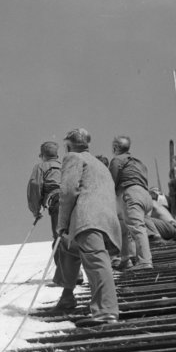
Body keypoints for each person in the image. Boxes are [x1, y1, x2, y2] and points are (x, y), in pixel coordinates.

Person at [54, 128, 122, 326]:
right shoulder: (100, 165)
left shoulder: (72, 158)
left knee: (96, 262)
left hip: (87, 218)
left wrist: (62, 224)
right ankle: (67, 296)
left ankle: (106, 312)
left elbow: (67, 191)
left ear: (68, 145)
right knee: (67, 249)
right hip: (106, 220)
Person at [109, 135, 153, 270]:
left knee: (137, 228)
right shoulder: (138, 162)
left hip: (131, 194)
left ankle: (145, 261)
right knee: (122, 227)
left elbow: (112, 181)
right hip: (145, 196)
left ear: (115, 147)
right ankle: (125, 259)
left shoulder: (117, 159)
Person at [26, 141, 62, 236]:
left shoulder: (41, 166)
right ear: (57, 156)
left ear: (43, 156)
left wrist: (36, 210)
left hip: (56, 200)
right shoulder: (64, 167)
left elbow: (35, 186)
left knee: (59, 237)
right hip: (71, 200)